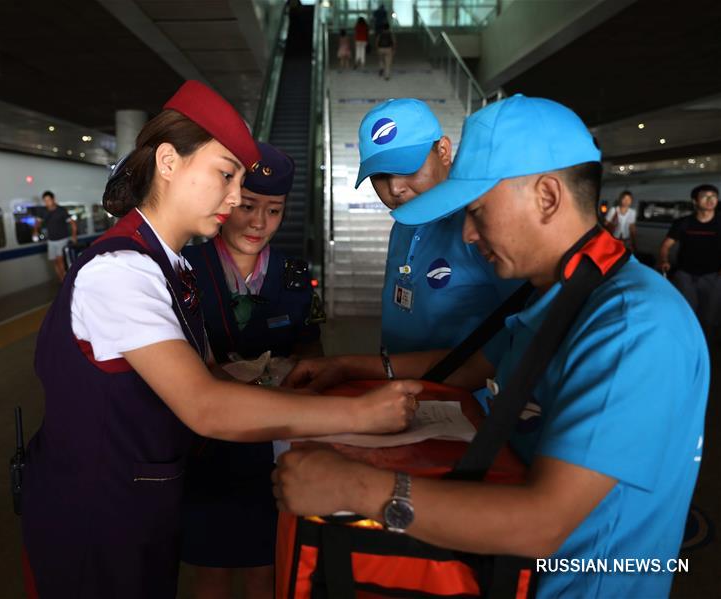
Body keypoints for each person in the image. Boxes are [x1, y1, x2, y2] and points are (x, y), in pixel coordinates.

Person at [276, 95, 709, 598]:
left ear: (547, 197)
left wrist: (356, 489)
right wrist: (351, 370)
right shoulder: (552, 297)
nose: (466, 232)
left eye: (478, 210)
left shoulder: (633, 326)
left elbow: (542, 523)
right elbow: (468, 367)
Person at [20, 80, 422, 599]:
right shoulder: (119, 271)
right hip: (95, 516)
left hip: (138, 506)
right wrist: (360, 415)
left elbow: (210, 375)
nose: (235, 198)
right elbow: (205, 405)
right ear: (168, 162)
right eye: (225, 175)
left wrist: (299, 402)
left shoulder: (170, 265)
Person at [180, 142, 320, 599]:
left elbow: (312, 353)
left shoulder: (296, 275)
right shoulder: (185, 270)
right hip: (204, 445)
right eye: (249, 206)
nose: (259, 223)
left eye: (274, 210)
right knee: (211, 570)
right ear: (227, 202)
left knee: (268, 565)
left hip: (272, 448)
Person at [308, 99, 519, 390]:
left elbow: (517, 340)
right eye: (380, 176)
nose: (395, 188)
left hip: (471, 411)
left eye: (408, 168)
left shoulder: (482, 227)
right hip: (406, 398)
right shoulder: (402, 228)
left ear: (443, 151)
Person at [658, 183, 721, 338]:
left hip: (713, 276)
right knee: (688, 313)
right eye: (705, 196)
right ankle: (687, 343)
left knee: (709, 318)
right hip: (685, 275)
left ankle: (707, 348)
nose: (710, 199)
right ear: (694, 201)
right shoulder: (683, 223)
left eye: (713, 196)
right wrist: (664, 260)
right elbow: (665, 246)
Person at [33, 190, 77, 282]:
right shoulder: (43, 211)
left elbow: (73, 223)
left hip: (62, 239)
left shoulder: (61, 211)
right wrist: (35, 231)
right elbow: (38, 222)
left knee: (60, 261)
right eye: (45, 200)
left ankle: (66, 281)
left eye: (48, 200)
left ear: (53, 199)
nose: (47, 202)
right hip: (51, 241)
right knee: (55, 262)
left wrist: (74, 236)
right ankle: (62, 281)